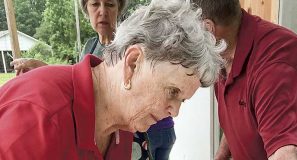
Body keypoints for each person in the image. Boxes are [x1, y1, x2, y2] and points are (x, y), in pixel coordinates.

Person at [0, 0, 225, 159]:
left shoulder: (122, 127)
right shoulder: (36, 118)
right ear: (132, 63)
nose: (175, 112)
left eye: (182, 100)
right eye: (172, 92)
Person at [192, 0, 297, 160]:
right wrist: (221, 155)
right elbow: (239, 115)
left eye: (190, 30)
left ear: (208, 29)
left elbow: (286, 155)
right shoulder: (223, 53)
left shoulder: (275, 66)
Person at [10, 0, 128, 73]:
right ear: (86, 9)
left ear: (118, 10)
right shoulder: (90, 45)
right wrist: (40, 67)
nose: (103, 11)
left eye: (110, 4)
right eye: (95, 4)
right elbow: (74, 78)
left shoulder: (129, 45)